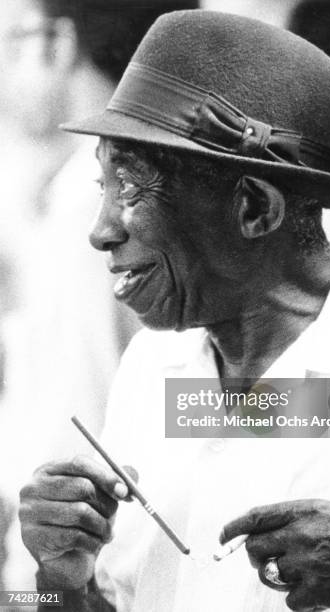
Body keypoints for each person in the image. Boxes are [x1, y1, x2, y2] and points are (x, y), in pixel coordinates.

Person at [19, 10, 330, 612]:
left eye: (132, 187)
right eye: (104, 186)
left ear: (255, 208)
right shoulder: (154, 367)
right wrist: (62, 583)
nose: (101, 232)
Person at [0, 0, 197, 591]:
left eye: (11, 41)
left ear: (57, 42)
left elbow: (70, 419)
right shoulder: (151, 187)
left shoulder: (84, 206)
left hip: (96, 567)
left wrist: (28, 587)